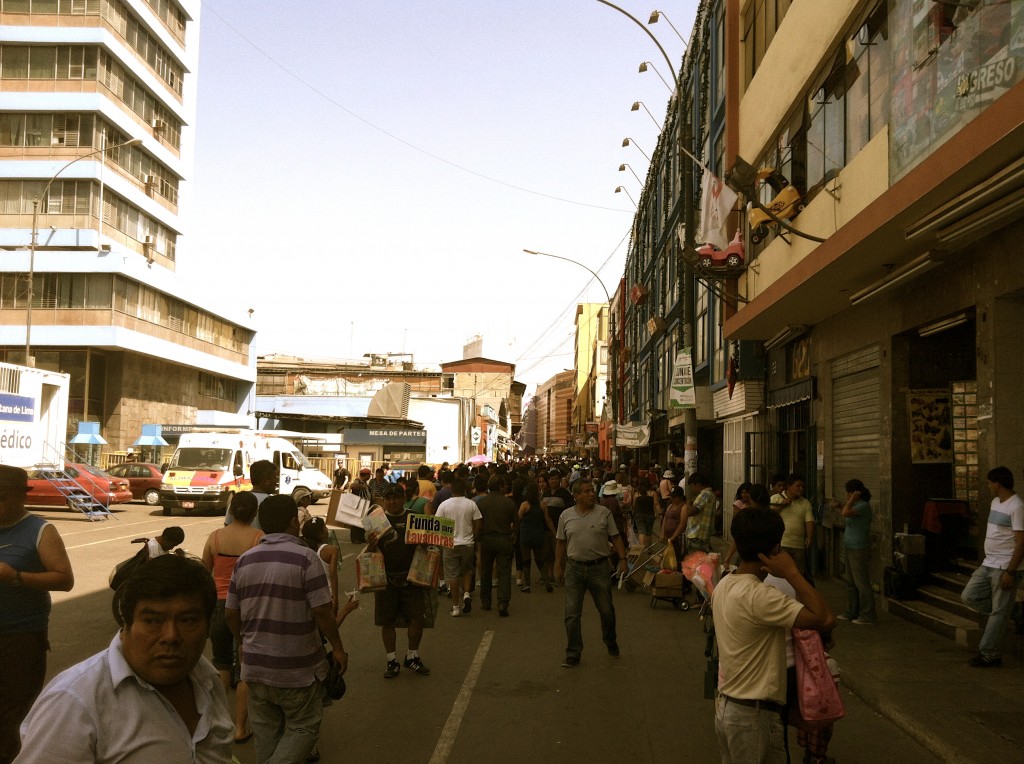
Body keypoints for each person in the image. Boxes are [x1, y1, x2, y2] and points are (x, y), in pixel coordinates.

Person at [17, 555, 231, 762]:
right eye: (153, 621)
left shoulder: (208, 680)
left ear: (208, 627)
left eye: (188, 620)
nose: (171, 636)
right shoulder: (73, 702)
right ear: (126, 624)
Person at [226, 495, 348, 763]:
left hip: (256, 668)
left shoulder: (245, 560)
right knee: (304, 727)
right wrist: (338, 648)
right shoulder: (306, 559)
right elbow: (322, 612)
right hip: (297, 670)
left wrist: (242, 642)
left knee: (267, 733)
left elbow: (231, 613)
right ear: (294, 521)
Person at [712, 507, 835, 763]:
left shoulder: (725, 583)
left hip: (730, 708)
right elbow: (825, 619)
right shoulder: (761, 596)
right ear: (776, 549)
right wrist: (791, 572)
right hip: (753, 716)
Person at [0, 466, 74, 764]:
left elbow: (64, 579)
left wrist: (16, 576)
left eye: (1, 498)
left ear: (21, 496)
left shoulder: (40, 531)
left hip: (20, 640)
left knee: (12, 717)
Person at [201, 490, 263, 745]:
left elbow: (205, 574)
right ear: (254, 513)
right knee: (245, 668)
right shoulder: (258, 539)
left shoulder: (214, 538)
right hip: (246, 608)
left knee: (222, 663)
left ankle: (219, 723)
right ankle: (240, 727)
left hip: (217, 605)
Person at [554, 480, 629, 668]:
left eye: (592, 491)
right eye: (586, 491)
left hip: (599, 568)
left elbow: (616, 537)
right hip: (574, 569)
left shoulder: (604, 513)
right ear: (576, 495)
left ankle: (610, 641)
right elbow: (561, 542)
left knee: (606, 610)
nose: (591, 494)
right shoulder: (566, 515)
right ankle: (573, 653)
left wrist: (623, 560)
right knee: (571, 614)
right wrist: (558, 565)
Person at [961, 466, 1024, 668]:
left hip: (1005, 566)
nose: (988, 486)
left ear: (998, 483)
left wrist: (1010, 571)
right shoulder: (995, 502)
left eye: (989, 483)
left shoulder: (1017, 506)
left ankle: (990, 654)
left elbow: (1021, 542)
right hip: (988, 563)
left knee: (998, 613)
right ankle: (1012, 613)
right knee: (969, 596)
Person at [370, 485, 431, 678]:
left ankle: (412, 656)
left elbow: (427, 544)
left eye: (396, 498)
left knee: (417, 619)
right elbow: (370, 550)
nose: (392, 502)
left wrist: (424, 541)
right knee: (386, 622)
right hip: (385, 580)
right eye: (388, 498)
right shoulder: (376, 519)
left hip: (412, 579)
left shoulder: (415, 518)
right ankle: (391, 660)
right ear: (384, 500)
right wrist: (371, 544)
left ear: (403, 498)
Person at [435, 479, 482, 617]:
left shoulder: (444, 505)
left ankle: (455, 606)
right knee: (467, 570)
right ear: (465, 490)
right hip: (467, 543)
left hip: (450, 544)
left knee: (452, 575)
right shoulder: (471, 504)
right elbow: (478, 524)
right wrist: (473, 537)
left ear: (452, 490)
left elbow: (438, 524)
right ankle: (466, 593)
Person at [476, 475, 518, 616]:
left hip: (487, 539)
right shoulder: (508, 503)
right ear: (501, 487)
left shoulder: (482, 503)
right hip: (504, 539)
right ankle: (503, 603)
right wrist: (514, 535)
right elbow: (516, 522)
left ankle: (486, 601)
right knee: (504, 572)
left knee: (485, 572)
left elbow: (478, 523)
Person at [837, 479, 876, 625]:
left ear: (855, 492)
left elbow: (845, 512)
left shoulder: (864, 506)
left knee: (861, 582)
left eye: (849, 492)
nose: (847, 495)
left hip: (859, 548)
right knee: (850, 582)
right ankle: (852, 611)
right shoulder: (856, 505)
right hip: (849, 546)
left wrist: (851, 500)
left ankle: (868, 614)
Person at [770, 473, 814, 576]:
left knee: (798, 574)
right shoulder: (775, 498)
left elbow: (809, 521)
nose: (801, 489)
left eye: (803, 486)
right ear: (789, 486)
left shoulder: (805, 503)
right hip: (781, 544)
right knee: (780, 575)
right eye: (798, 486)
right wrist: (782, 505)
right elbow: (770, 517)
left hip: (798, 545)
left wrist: (810, 537)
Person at [224, 460, 279, 529]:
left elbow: (227, 525)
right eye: (274, 478)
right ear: (265, 481)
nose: (276, 481)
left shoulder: (237, 500)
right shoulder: (272, 503)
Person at [518, 481, 550, 593]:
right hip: (538, 535)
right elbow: (547, 520)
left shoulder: (524, 505)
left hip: (526, 535)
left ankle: (527, 585)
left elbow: (518, 519)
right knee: (540, 560)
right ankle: (547, 582)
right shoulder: (542, 505)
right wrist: (554, 532)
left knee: (526, 560)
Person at [682, 473, 717, 554]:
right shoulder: (709, 494)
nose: (692, 489)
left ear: (698, 485)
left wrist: (688, 502)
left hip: (697, 535)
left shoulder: (705, 494)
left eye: (692, 486)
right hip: (700, 535)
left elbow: (690, 512)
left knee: (696, 562)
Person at [631, 476, 660, 549]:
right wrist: (660, 513)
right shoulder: (652, 493)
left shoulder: (636, 494)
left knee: (641, 532)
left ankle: (642, 547)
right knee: (649, 532)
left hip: (639, 515)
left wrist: (632, 514)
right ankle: (649, 548)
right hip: (650, 515)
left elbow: (634, 506)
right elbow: (656, 504)